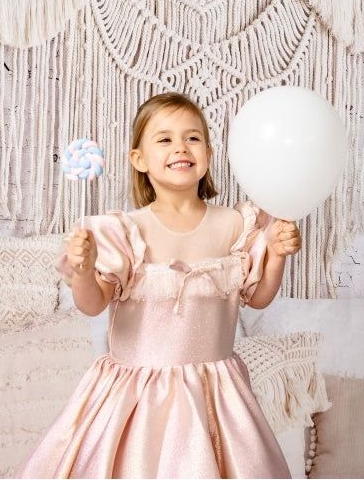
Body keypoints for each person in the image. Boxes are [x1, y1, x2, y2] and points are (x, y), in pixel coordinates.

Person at [17, 92, 302, 479]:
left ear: (209, 154)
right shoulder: (125, 231)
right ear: (140, 160)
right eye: (164, 139)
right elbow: (93, 304)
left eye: (193, 138)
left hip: (213, 395)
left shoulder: (235, 226)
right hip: (136, 398)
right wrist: (83, 272)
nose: (180, 147)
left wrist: (278, 256)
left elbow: (259, 298)